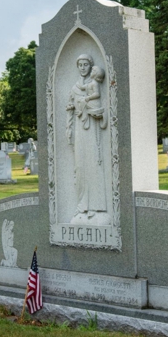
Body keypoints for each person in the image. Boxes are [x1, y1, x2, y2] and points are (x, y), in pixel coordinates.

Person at [66, 54, 109, 222]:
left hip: (92, 131)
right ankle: (82, 206)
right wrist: (68, 128)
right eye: (80, 65)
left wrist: (88, 108)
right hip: (80, 131)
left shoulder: (94, 85)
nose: (83, 67)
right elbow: (69, 108)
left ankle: (96, 207)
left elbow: (99, 105)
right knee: (80, 167)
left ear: (90, 67)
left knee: (93, 164)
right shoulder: (75, 88)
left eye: (86, 65)